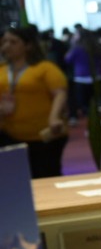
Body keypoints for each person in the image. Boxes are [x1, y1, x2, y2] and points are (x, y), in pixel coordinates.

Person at [0, 24, 70, 178]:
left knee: (45, 177)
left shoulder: (45, 68)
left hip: (43, 137)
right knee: (16, 181)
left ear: (28, 45)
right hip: (10, 137)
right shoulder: (2, 70)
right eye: (4, 41)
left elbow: (60, 93)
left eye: (13, 42)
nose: (7, 46)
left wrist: (54, 117)